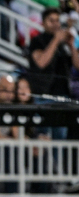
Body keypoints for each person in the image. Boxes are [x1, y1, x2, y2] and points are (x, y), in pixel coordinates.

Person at [27, 7, 79, 140]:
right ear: (43, 23)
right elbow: (41, 63)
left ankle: (59, 161)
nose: (55, 24)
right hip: (44, 94)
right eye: (51, 20)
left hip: (62, 95)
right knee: (42, 135)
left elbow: (77, 65)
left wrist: (72, 45)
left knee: (60, 136)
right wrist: (55, 40)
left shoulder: (64, 43)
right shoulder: (38, 41)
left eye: (57, 20)